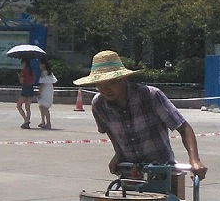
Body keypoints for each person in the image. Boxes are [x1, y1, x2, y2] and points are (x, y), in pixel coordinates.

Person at [73, 50, 206, 177]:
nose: (105, 89)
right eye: (100, 85)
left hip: (162, 172)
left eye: (111, 83)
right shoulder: (99, 104)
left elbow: (183, 127)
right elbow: (108, 130)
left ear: (123, 79)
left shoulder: (150, 96)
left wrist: (194, 160)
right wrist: (118, 153)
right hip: (130, 172)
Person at [15, 54, 38, 129]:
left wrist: (19, 76)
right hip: (31, 88)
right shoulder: (32, 71)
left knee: (18, 105)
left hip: (25, 88)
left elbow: (22, 81)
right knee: (28, 107)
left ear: (24, 63)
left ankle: (26, 120)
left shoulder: (24, 71)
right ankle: (27, 121)